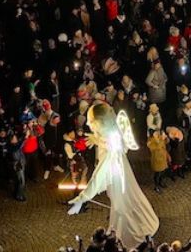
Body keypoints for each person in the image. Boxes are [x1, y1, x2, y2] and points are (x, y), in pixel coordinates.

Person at [67, 103, 159, 247]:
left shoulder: (111, 143)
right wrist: (98, 139)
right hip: (122, 173)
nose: (89, 125)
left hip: (117, 178)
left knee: (122, 205)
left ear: (99, 122)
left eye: (91, 122)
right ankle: (136, 223)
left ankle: (130, 234)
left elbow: (100, 173)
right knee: (125, 201)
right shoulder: (111, 132)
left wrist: (83, 197)